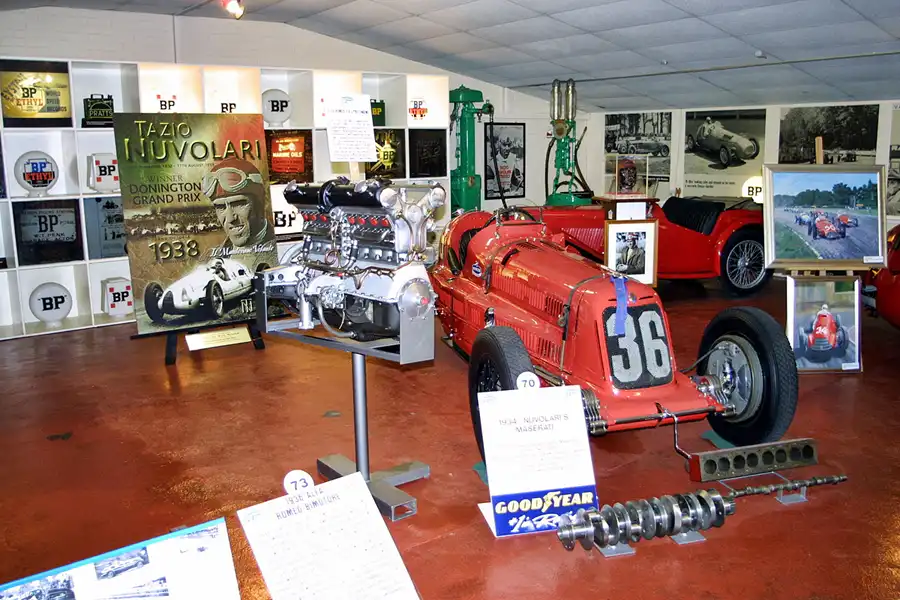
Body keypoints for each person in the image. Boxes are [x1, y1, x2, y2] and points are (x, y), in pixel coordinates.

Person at [202, 158, 272, 250]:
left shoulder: (281, 248)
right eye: (220, 207)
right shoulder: (213, 258)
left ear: (262, 203)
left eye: (238, 204)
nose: (230, 218)